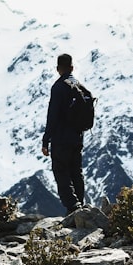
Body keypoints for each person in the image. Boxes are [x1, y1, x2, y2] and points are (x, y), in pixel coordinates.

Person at [41, 53, 86, 213]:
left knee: (61, 171)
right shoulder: (79, 86)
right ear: (72, 68)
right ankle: (80, 204)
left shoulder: (58, 87)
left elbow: (52, 115)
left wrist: (46, 140)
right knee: (76, 171)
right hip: (77, 137)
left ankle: (73, 206)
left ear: (58, 69)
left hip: (61, 138)